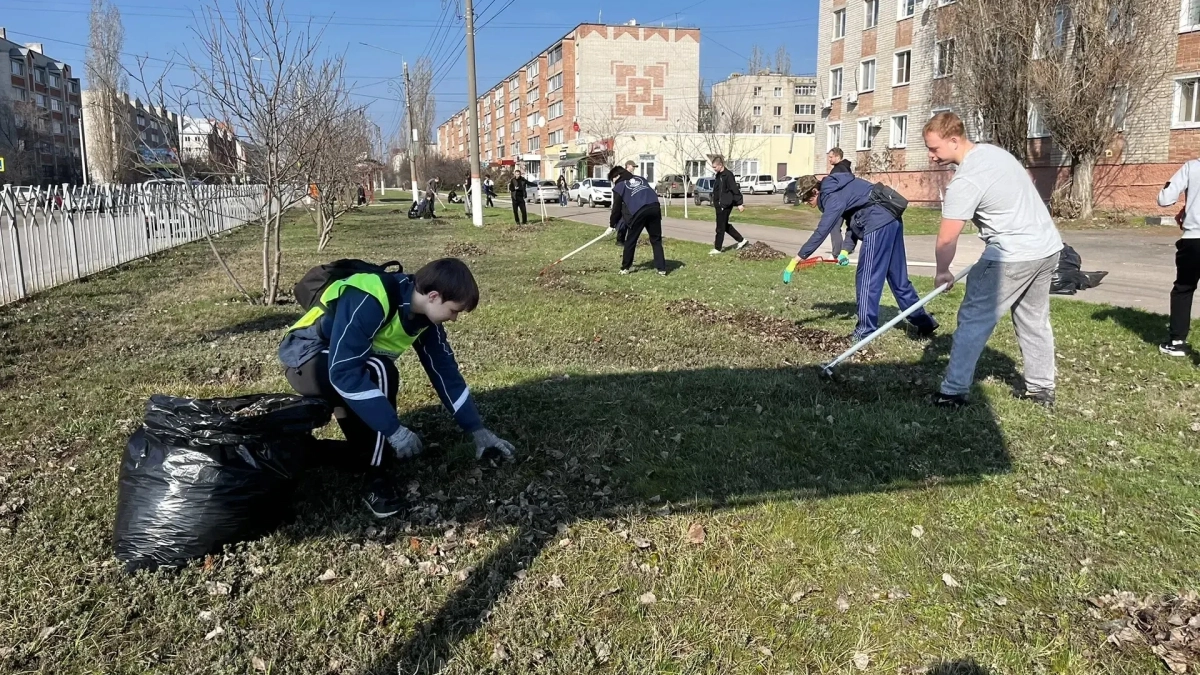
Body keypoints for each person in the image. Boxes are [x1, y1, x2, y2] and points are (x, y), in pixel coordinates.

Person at [279, 258, 516, 518]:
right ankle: (377, 479)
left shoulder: (425, 317)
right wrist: (395, 431)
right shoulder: (372, 296)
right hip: (306, 360)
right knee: (381, 371)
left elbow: (445, 372)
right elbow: (343, 372)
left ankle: (307, 452)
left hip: (341, 364)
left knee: (364, 440)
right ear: (434, 296)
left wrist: (477, 430)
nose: (455, 318)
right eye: (453, 310)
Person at [923, 112, 1064, 409]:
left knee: (974, 320)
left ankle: (952, 392)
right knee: (1034, 320)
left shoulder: (966, 180)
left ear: (953, 140)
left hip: (1011, 256)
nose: (931, 156)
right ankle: (1041, 388)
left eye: (934, 148)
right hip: (1047, 248)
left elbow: (947, 238)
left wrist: (942, 271)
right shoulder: (994, 153)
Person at [786, 175, 937, 341]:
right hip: (891, 219)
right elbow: (855, 218)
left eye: (807, 198)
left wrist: (799, 257)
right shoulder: (840, 188)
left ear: (815, 191)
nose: (806, 203)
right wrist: (845, 250)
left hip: (877, 223)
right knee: (898, 278)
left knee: (867, 279)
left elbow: (823, 229)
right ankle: (924, 322)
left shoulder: (831, 195)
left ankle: (864, 332)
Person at [1157, 159, 1200, 357]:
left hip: (1194, 238)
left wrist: (1190, 205)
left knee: (1184, 288)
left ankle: (1177, 342)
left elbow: (1164, 199)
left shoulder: (1193, 166)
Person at [609, 166, 666, 275]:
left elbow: (616, 208)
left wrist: (612, 224)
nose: (613, 182)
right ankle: (661, 269)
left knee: (631, 240)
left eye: (613, 179)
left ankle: (625, 268)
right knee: (656, 240)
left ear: (617, 176)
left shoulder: (620, 186)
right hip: (654, 207)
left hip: (638, 211)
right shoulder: (641, 179)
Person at [709, 155, 750, 255]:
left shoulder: (728, 175)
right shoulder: (718, 175)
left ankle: (717, 248)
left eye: (715, 167)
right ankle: (741, 240)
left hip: (725, 205)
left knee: (720, 227)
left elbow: (734, 189)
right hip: (719, 205)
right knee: (724, 225)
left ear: (720, 165)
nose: (714, 169)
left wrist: (739, 203)